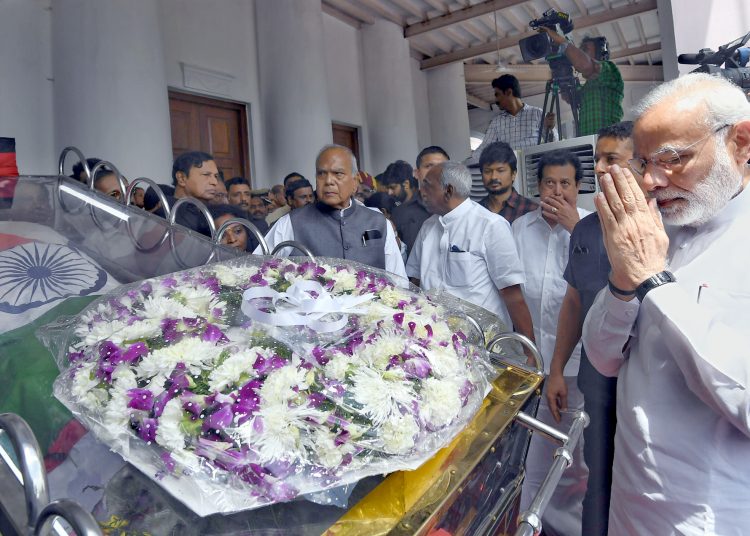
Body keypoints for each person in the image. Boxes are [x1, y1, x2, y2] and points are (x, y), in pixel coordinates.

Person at [581, 73, 750, 534]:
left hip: (709, 515)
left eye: (672, 159)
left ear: (741, 140)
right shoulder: (660, 228)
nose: (653, 180)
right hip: (632, 501)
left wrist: (654, 283)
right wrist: (621, 280)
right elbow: (602, 357)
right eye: (645, 163)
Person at [545, 121, 634, 535]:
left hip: (647, 388)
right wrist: (558, 369)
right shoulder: (585, 228)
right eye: (597, 158)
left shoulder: (661, 223)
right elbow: (574, 301)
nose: (599, 167)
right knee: (598, 480)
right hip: (597, 386)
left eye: (611, 158)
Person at [512, 149, 590, 536]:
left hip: (580, 366)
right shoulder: (519, 230)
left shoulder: (593, 227)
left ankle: (580, 526)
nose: (557, 191)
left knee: (579, 456)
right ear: (536, 187)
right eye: (548, 183)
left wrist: (577, 229)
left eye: (565, 183)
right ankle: (534, 524)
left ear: (579, 187)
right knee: (537, 454)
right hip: (532, 365)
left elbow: (600, 289)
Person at [406, 161, 533, 337]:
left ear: (448, 190)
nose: (422, 190)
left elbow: (511, 293)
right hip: (434, 338)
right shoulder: (428, 227)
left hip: (481, 340)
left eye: (427, 185)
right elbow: (414, 281)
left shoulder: (490, 226)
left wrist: (528, 349)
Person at [259, 144, 407, 279]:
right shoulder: (291, 223)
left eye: (338, 174)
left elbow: (398, 281)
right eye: (322, 174)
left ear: (354, 182)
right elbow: (258, 272)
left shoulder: (378, 222)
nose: (329, 181)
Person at [540, 29, 624, 135]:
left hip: (607, 144)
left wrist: (562, 42)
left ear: (600, 54)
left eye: (585, 49)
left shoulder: (611, 71)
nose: (580, 53)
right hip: (589, 146)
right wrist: (561, 72)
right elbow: (569, 97)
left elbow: (586, 65)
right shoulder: (587, 88)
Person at [472, 74, 558, 158]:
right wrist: (469, 160)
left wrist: (550, 128)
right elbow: (485, 148)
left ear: (509, 92)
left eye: (497, 94)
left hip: (533, 168)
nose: (496, 100)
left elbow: (554, 143)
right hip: (509, 169)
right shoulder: (497, 122)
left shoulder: (537, 113)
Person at [390, 147, 450, 253]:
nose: (435, 171)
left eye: (441, 167)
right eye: (428, 166)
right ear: (416, 173)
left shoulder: (461, 210)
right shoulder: (400, 213)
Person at [156, 151, 220, 236]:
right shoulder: (166, 213)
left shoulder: (209, 211)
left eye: (215, 176)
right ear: (182, 178)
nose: (214, 182)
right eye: (206, 175)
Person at [478, 141, 538, 224]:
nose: (493, 177)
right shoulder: (475, 211)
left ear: (513, 174)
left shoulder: (531, 210)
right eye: (487, 171)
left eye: (500, 170)